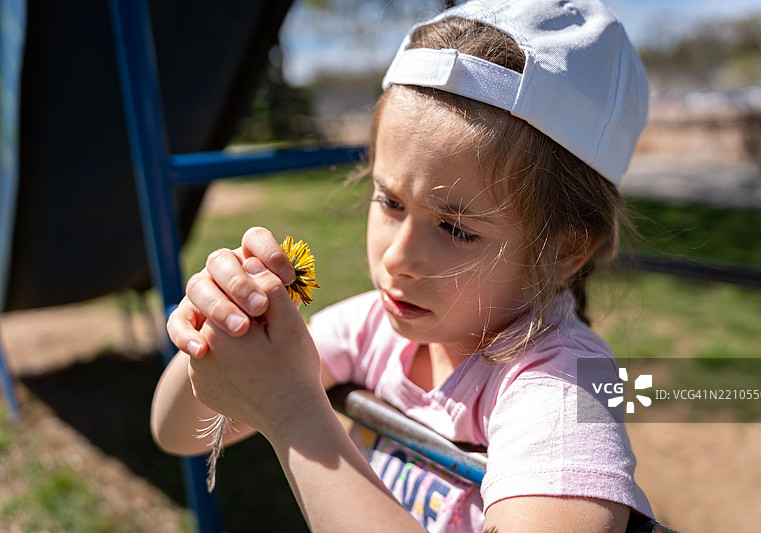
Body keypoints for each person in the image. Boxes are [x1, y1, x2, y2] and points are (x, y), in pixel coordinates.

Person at [151, 0, 654, 531]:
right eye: (390, 203)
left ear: (565, 250)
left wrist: (294, 413)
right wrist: (220, 335)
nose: (396, 258)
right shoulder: (372, 328)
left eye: (456, 229)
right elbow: (177, 432)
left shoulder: (560, 387)